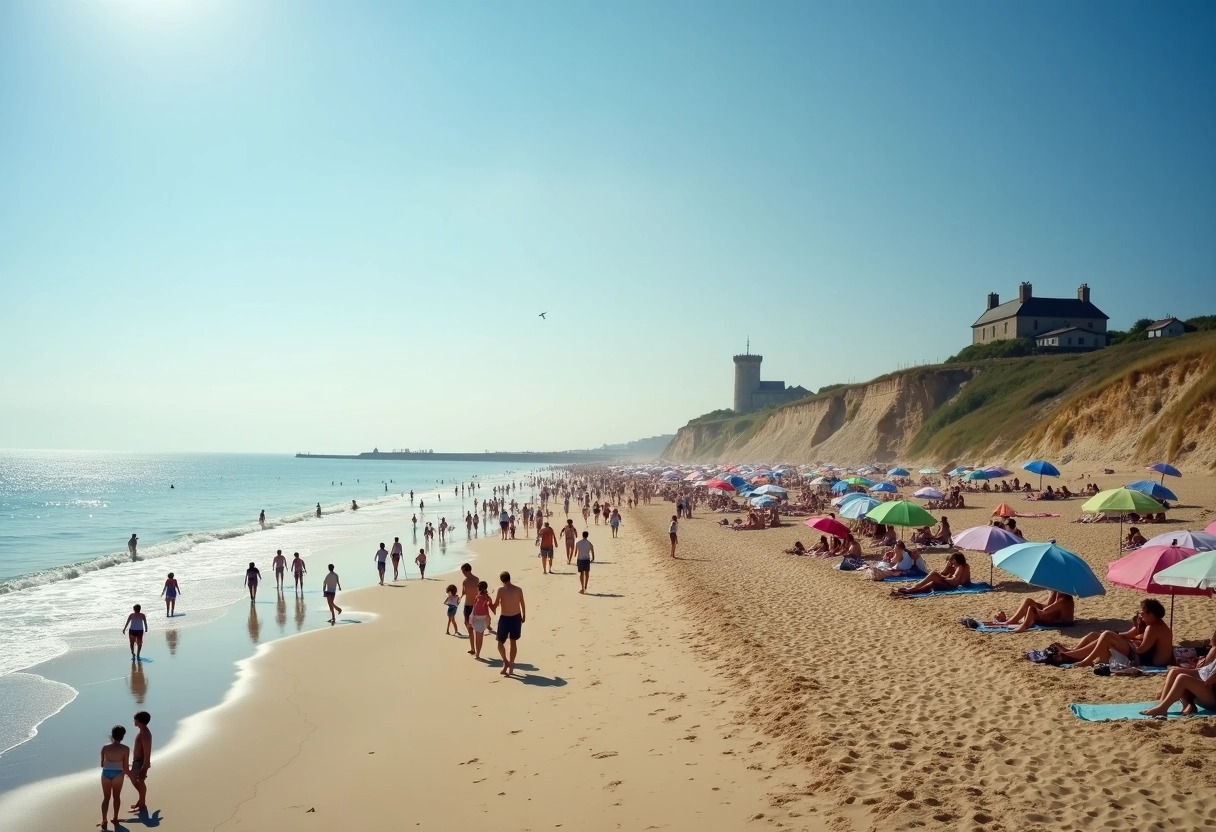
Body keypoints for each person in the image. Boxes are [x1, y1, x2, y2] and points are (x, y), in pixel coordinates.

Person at [1052, 599, 1173, 668]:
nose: (1140, 615)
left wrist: (1129, 641)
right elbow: (1127, 635)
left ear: (1151, 615)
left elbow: (1140, 650)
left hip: (1144, 660)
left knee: (1107, 635)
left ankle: (1084, 659)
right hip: (1143, 655)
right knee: (1096, 635)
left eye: (1143, 614)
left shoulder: (1152, 628)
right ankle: (1071, 652)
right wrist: (1135, 630)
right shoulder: (1154, 624)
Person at [1141, 629, 1216, 716]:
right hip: (1208, 688)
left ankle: (1163, 708)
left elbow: (1209, 681)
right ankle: (1162, 703)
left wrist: (1193, 684)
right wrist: (1184, 671)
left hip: (1213, 696)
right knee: (1175, 672)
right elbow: (1203, 671)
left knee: (1182, 679)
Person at [989, 591, 1074, 633]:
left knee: (1031, 609)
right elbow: (1047, 605)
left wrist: (1034, 609)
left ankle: (1023, 625)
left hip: (1059, 621)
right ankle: (1011, 621)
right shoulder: (1058, 593)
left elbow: (1045, 611)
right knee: (1028, 601)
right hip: (1054, 615)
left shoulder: (1065, 599)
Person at [492, 571, 526, 676]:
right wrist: (524, 615)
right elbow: (522, 603)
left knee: (500, 643)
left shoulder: (501, 590)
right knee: (513, 642)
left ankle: (506, 662)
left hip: (505, 618)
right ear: (509, 578)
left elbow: (495, 606)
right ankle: (510, 664)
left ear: (502, 580)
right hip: (516, 617)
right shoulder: (518, 589)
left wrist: (489, 603)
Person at [891, 553, 971, 596]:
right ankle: (914, 590)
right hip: (951, 584)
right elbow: (947, 574)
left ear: (956, 560)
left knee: (933, 574)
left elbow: (956, 580)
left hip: (952, 585)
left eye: (952, 560)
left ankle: (913, 588)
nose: (951, 562)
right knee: (933, 582)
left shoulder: (959, 567)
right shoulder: (959, 566)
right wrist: (945, 573)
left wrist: (944, 578)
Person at [99, 724, 131, 831]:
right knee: (116, 797)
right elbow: (125, 768)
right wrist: (132, 775)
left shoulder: (105, 748)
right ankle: (115, 818)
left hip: (106, 774)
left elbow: (102, 764)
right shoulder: (126, 749)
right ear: (123, 736)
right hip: (118, 774)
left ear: (112, 735)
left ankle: (104, 820)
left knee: (106, 798)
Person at [129, 711, 152, 815]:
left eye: (135, 719)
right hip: (137, 761)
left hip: (140, 762)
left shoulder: (145, 734)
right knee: (136, 780)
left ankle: (142, 803)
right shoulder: (143, 731)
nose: (134, 721)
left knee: (138, 781)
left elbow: (147, 751)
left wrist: (145, 767)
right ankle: (141, 801)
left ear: (139, 720)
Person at [460, 563, 480, 654]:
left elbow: (463, 593)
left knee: (470, 628)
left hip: (468, 606)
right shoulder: (477, 580)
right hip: (475, 605)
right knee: (473, 627)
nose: (462, 573)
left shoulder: (465, 581)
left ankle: (473, 648)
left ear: (467, 570)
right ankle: (473, 649)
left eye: (463, 571)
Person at [470, 581, 493, 660]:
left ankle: (477, 655)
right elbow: (490, 601)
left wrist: (472, 618)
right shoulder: (486, 596)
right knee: (481, 637)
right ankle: (478, 653)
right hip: (484, 617)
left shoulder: (478, 597)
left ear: (479, 588)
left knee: (477, 637)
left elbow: (475, 608)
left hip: (478, 618)